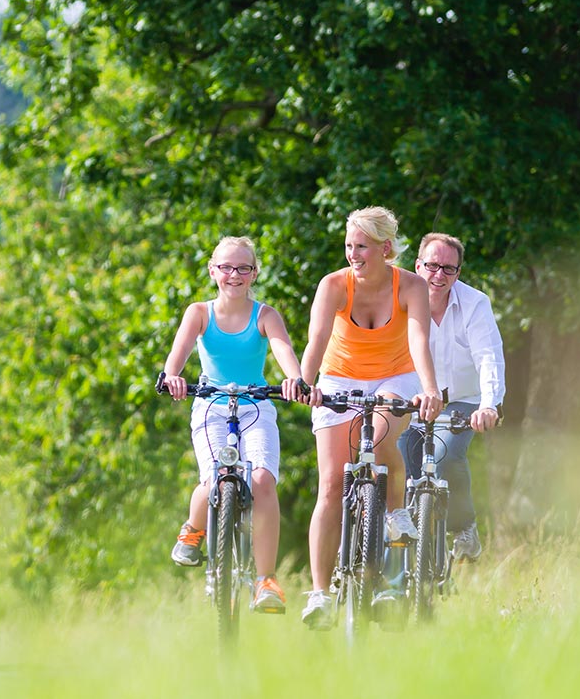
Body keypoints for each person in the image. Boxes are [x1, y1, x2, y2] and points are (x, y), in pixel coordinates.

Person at [297, 207, 443, 629]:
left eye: (361, 246)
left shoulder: (411, 286)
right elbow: (318, 339)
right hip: (340, 375)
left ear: (385, 248)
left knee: (380, 441)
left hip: (395, 376)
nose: (353, 254)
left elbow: (418, 340)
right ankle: (321, 593)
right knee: (330, 483)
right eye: (348, 246)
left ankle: (395, 512)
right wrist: (304, 383)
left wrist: (430, 389)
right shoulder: (333, 285)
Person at [160, 236, 307, 614]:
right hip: (211, 405)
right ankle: (194, 529)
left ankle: (265, 580)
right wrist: (172, 376)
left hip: (256, 406)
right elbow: (178, 352)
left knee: (261, 480)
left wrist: (295, 378)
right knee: (211, 479)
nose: (234, 275)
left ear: (254, 273)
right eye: (226, 267)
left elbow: (282, 349)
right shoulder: (200, 313)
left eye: (243, 268)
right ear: (213, 271)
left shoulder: (265, 315)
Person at [407, 232, 505, 561]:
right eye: (432, 266)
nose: (439, 275)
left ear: (458, 273)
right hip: (414, 400)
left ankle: (464, 527)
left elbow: (488, 357)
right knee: (401, 460)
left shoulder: (475, 304)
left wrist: (489, 405)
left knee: (447, 454)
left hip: (464, 399)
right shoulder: (399, 299)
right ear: (418, 265)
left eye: (449, 269)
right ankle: (407, 551)